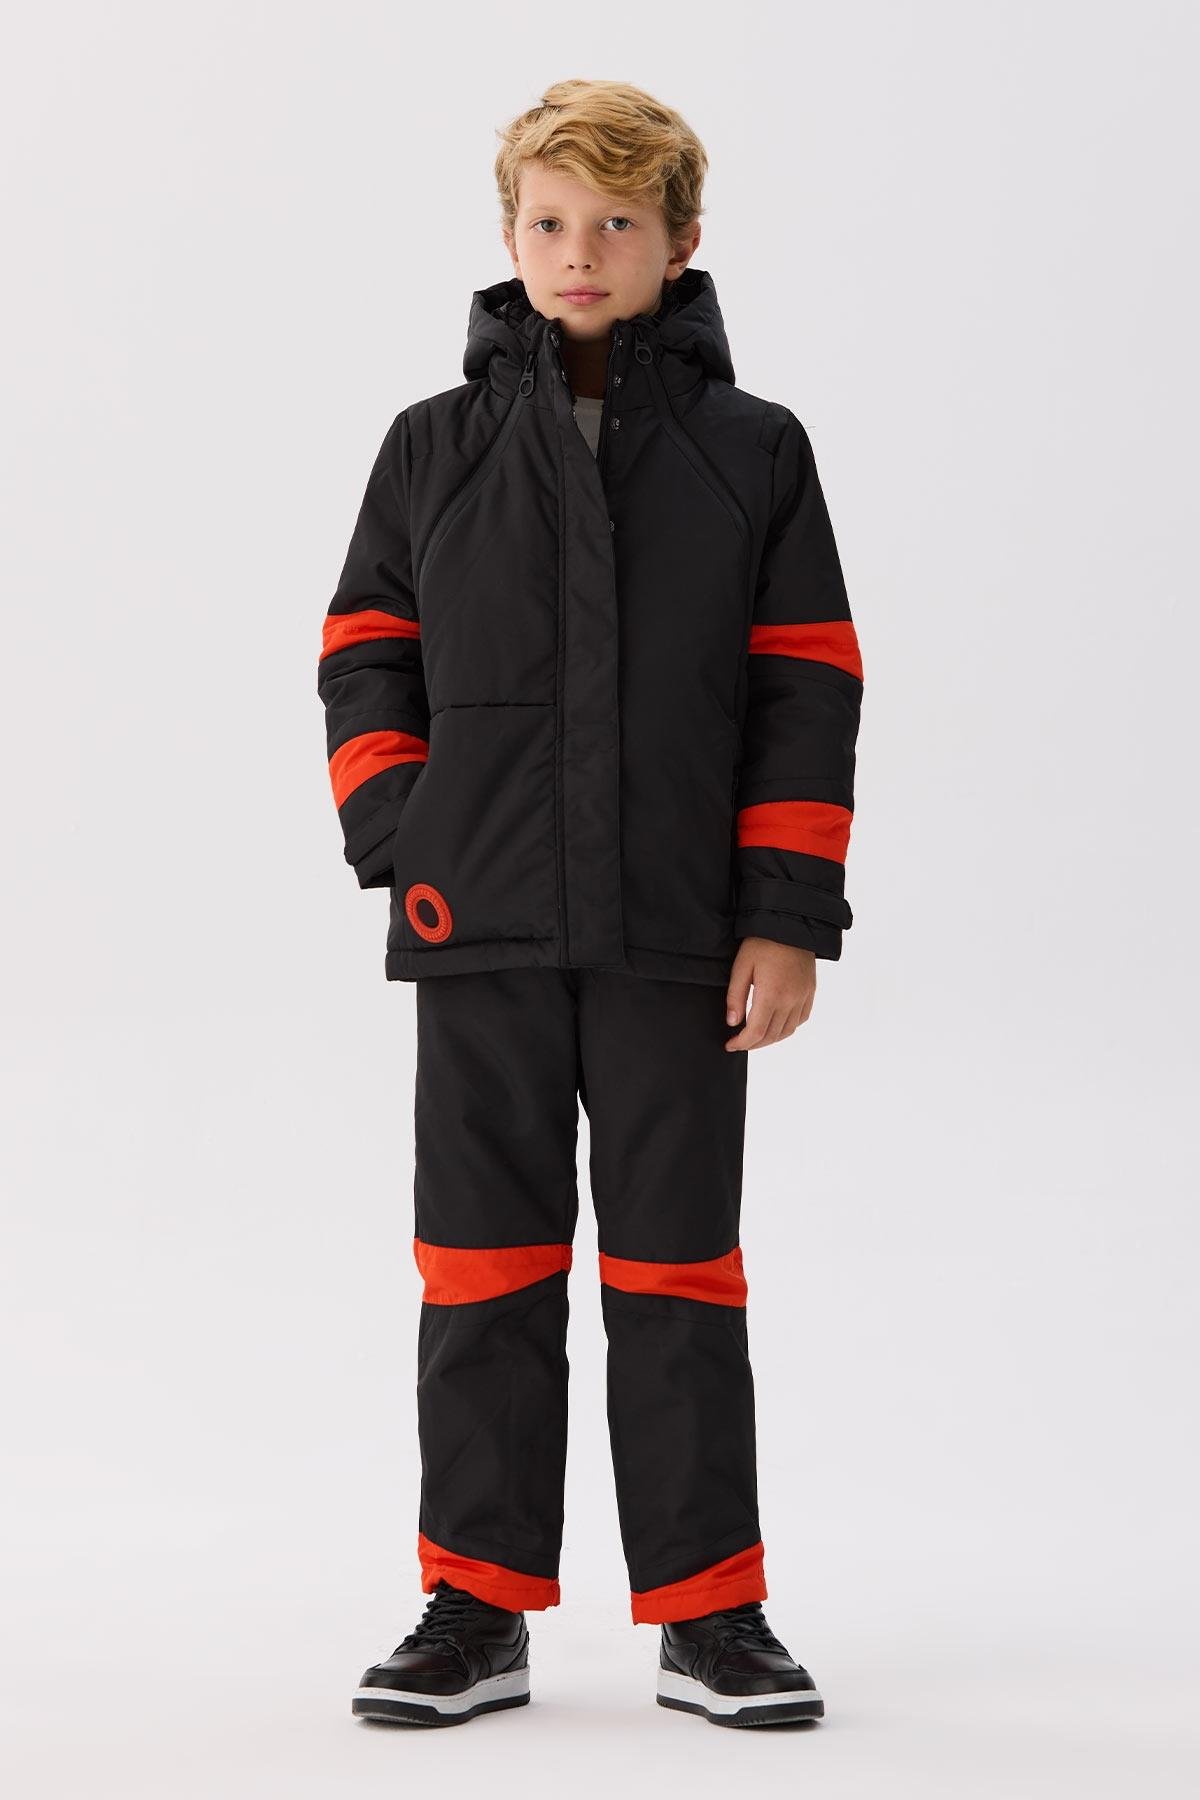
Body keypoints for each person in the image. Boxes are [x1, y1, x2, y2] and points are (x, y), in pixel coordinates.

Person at [317, 77, 862, 1730]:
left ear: (679, 242)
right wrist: (404, 834)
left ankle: (713, 1613)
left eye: (617, 223)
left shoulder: (755, 453)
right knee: (479, 1270)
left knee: (678, 1270)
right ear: (510, 234)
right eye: (550, 222)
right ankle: (474, 1607)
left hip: (678, 936)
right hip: (475, 930)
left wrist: (786, 915)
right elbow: (365, 649)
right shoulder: (432, 445)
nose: (580, 251)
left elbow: (807, 685)